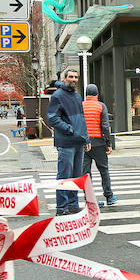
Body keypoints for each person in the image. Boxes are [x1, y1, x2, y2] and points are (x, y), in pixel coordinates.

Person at [46, 68, 88, 215]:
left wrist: (85, 138)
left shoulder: (77, 96)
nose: (74, 79)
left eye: (76, 77)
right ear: (65, 78)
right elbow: (52, 118)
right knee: (64, 176)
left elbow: (81, 119)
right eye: (71, 77)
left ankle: (73, 204)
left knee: (76, 176)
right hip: (66, 141)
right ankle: (62, 207)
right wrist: (69, 129)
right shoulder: (57, 95)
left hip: (78, 142)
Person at [82, 83, 117, 206]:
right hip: (99, 144)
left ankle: (89, 200)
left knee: (86, 174)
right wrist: (108, 143)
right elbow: (105, 127)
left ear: (86, 94)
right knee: (104, 170)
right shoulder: (101, 106)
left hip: (84, 144)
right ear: (97, 94)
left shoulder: (80, 106)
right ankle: (109, 196)